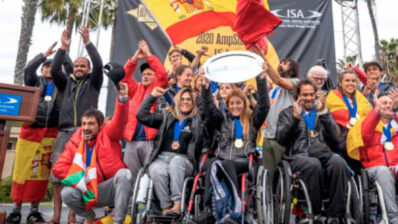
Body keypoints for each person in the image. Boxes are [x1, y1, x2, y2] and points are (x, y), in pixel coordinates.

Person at [6, 42, 69, 224]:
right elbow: (28, 69)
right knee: (22, 171)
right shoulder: (34, 81)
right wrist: (44, 54)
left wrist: (62, 54)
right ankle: (16, 209)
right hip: (31, 130)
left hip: (50, 132)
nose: (48, 69)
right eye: (45, 67)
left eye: (51, 66)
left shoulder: (61, 84)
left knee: (40, 173)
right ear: (42, 70)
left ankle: (35, 210)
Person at [197, 64, 269, 222]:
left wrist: (261, 80)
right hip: (222, 159)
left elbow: (263, 106)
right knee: (211, 162)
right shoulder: (222, 120)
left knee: (226, 163)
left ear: (244, 104)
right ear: (228, 106)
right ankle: (208, 209)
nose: (235, 106)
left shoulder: (252, 120)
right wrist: (206, 87)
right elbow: (209, 109)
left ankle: (235, 206)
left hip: (244, 161)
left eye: (239, 103)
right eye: (232, 103)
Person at [52, 83, 130, 224]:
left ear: (100, 126)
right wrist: (81, 177)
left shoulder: (109, 134)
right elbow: (58, 168)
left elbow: (120, 121)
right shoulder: (75, 141)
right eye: (84, 124)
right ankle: (89, 216)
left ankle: (119, 221)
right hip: (88, 190)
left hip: (110, 190)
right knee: (67, 193)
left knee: (124, 174)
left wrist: (123, 98)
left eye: (91, 124)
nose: (86, 128)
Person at [49, 26, 103, 224]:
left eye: (83, 66)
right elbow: (55, 69)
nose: (79, 68)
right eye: (76, 66)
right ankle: (56, 217)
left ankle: (72, 216)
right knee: (57, 173)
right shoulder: (66, 83)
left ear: (87, 70)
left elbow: (98, 64)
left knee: (80, 175)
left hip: (84, 133)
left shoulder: (94, 82)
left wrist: (88, 42)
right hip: (64, 133)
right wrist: (62, 49)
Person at [276, 80, 347, 223]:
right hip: (298, 156)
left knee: (338, 161)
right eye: (305, 95)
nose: (309, 98)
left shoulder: (321, 111)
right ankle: (314, 214)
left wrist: (324, 113)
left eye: (312, 94)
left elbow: (337, 139)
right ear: (297, 95)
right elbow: (281, 139)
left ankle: (334, 215)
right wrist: (295, 118)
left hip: (322, 153)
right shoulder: (287, 113)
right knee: (313, 164)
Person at [136, 87, 203, 216]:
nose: (185, 102)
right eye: (182, 99)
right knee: (156, 170)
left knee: (176, 162)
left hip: (184, 160)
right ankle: (166, 208)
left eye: (188, 99)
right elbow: (141, 115)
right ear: (177, 101)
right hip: (162, 158)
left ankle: (177, 204)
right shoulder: (167, 117)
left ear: (193, 103)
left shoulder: (197, 120)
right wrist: (152, 96)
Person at [120, 40, 168, 187]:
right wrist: (134, 59)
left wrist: (148, 55)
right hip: (132, 141)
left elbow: (163, 76)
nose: (146, 76)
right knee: (130, 176)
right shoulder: (135, 88)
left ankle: (151, 207)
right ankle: (129, 207)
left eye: (149, 74)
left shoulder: (158, 87)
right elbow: (124, 77)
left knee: (151, 175)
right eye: (144, 74)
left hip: (150, 140)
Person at [347, 91, 398, 223]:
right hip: (374, 168)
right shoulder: (367, 121)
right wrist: (376, 112)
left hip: (395, 167)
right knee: (383, 171)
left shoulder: (396, 125)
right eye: (384, 103)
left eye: (390, 103)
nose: (387, 105)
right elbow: (364, 135)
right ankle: (394, 218)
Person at [325, 70, 372, 172]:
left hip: (360, 140)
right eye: (347, 81)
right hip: (341, 140)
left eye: (353, 81)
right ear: (340, 83)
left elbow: (369, 115)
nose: (350, 83)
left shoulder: (360, 97)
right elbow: (334, 117)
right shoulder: (332, 96)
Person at [261, 57, 301, 175]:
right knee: (268, 175)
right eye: (281, 63)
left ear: (292, 70)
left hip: (283, 137)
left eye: (285, 63)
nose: (281, 65)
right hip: (268, 136)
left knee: (283, 175)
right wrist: (249, 97)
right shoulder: (274, 90)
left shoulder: (296, 82)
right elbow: (263, 108)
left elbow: (278, 80)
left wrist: (264, 58)